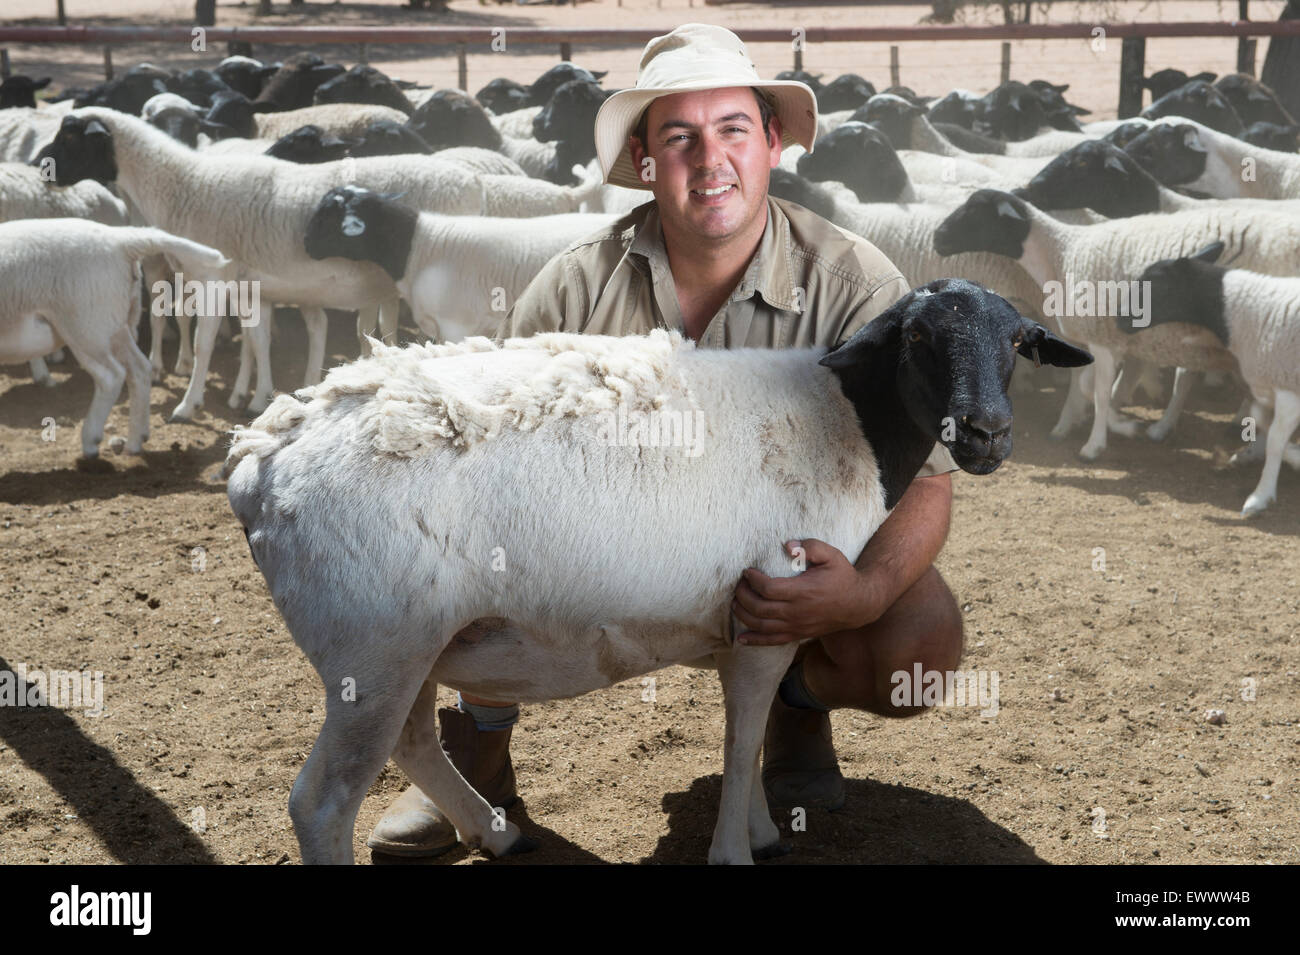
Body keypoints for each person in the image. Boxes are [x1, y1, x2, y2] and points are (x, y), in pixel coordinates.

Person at [367, 23, 963, 858]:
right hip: (606, 572)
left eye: (732, 131)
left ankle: (794, 705)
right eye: (678, 137)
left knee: (920, 646)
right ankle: (479, 751)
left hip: (774, 579)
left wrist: (861, 593)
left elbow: (928, 478)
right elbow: (482, 477)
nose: (709, 159)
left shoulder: (859, 288)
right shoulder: (575, 285)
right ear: (645, 160)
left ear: (774, 141)